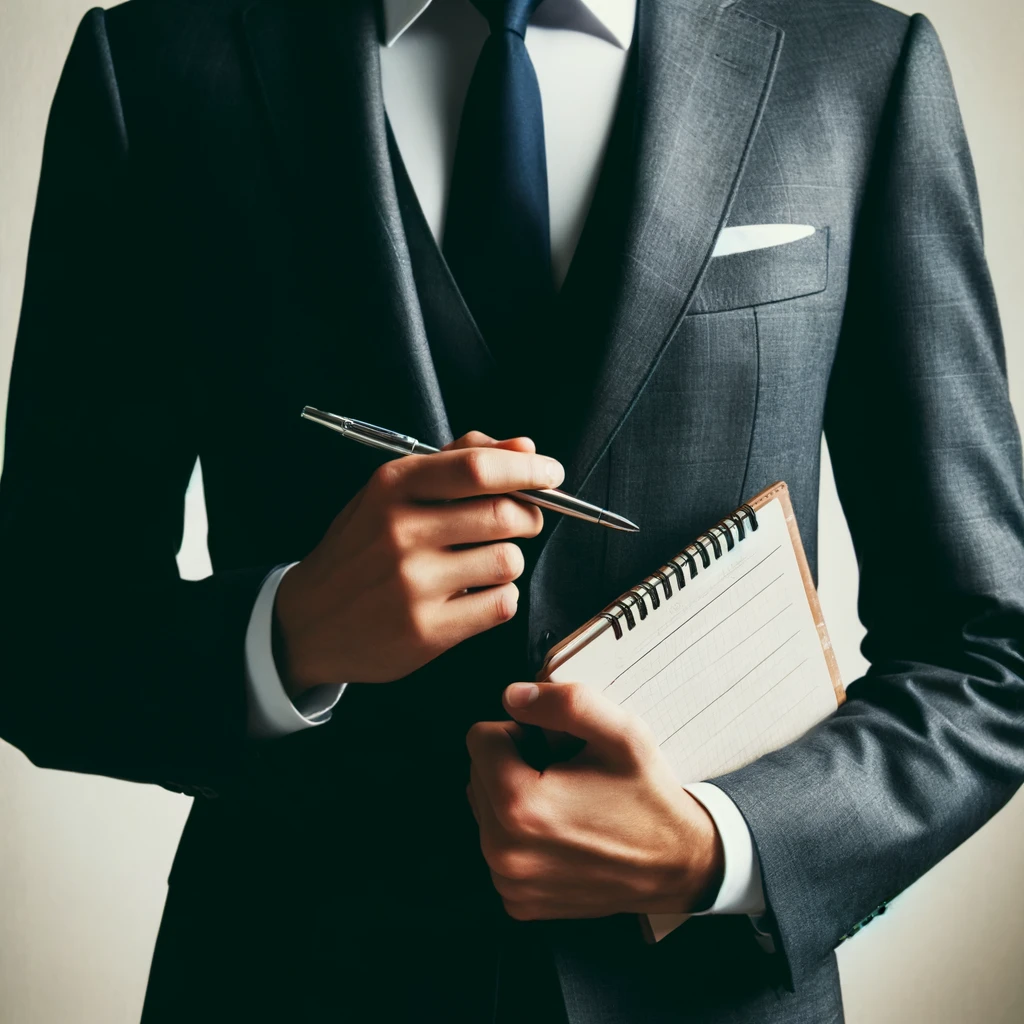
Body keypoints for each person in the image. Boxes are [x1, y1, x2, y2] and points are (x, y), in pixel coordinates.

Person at [2, 0, 1023, 1020]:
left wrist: (718, 845)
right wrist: (289, 634)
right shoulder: (157, 67)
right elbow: (36, 640)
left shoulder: (855, 67)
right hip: (286, 978)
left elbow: (988, 651)